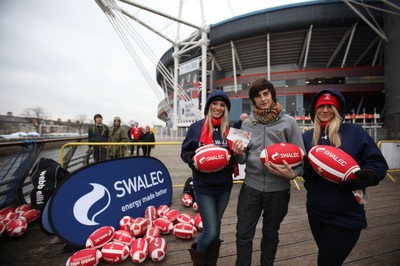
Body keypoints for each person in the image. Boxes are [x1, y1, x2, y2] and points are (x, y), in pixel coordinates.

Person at [302, 89, 388, 266]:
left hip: (346, 213)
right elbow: (301, 170)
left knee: (326, 262)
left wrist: (368, 176)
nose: (325, 110)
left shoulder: (355, 132)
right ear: (314, 110)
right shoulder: (307, 137)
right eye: (321, 106)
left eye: (330, 106)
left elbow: (377, 163)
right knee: (329, 259)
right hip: (316, 212)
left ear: (338, 110)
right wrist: (306, 171)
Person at [231, 78, 305, 266]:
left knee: (271, 234)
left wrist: (293, 174)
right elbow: (243, 158)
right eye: (258, 96)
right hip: (251, 187)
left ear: (272, 94)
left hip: (278, 190)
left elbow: (301, 158)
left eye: (266, 94)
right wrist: (238, 154)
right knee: (243, 234)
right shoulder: (247, 124)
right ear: (253, 100)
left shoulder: (289, 123)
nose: (263, 99)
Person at [181, 89, 236, 266]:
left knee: (216, 229)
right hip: (203, 186)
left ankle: (211, 262)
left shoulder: (230, 129)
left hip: (224, 186)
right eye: (214, 103)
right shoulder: (196, 127)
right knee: (210, 231)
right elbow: (185, 152)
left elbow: (236, 155)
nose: (218, 108)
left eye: (222, 105)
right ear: (208, 106)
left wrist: (235, 155)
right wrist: (193, 161)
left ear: (226, 109)